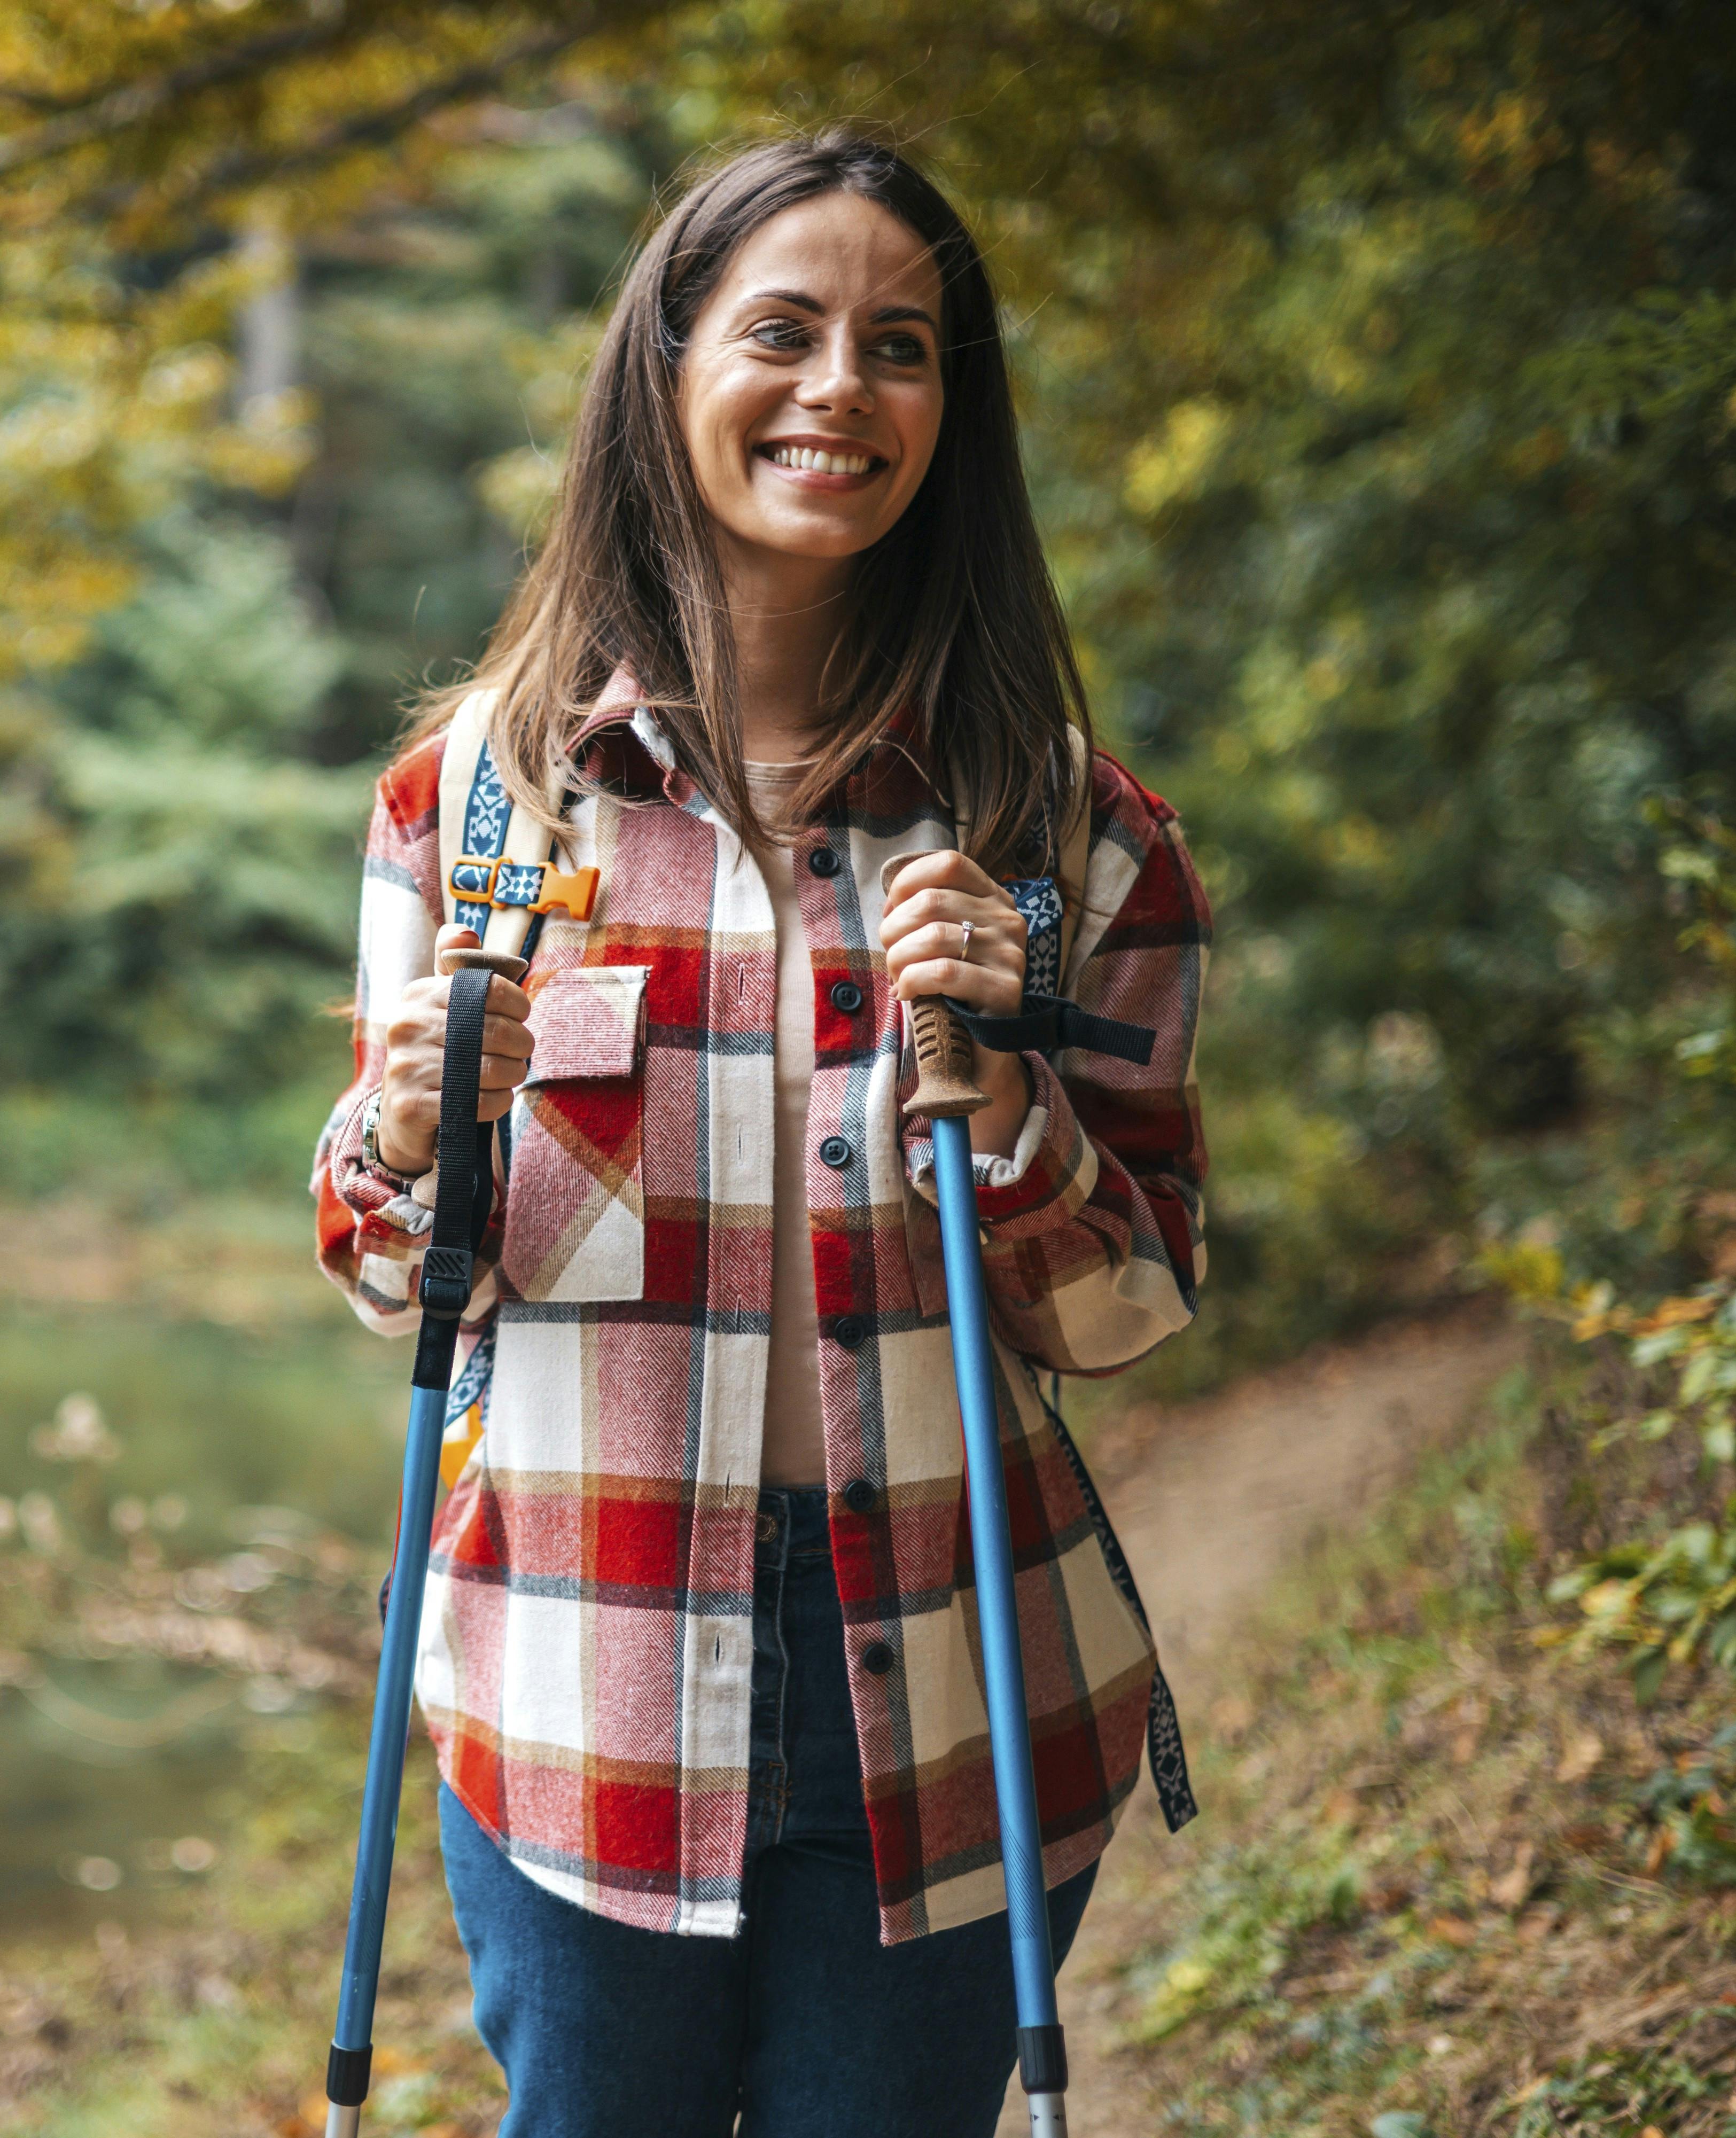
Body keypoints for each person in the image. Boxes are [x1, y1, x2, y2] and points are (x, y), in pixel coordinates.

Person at [309, 130, 1213, 2137]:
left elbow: (1142, 1295)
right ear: (667, 369)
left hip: (960, 1675)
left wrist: (1014, 1102)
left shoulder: (1069, 833)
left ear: (950, 417)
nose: (840, 389)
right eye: (782, 330)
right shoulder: (473, 807)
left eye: (901, 347)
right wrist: (400, 1123)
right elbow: (397, 1283)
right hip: (578, 1662)